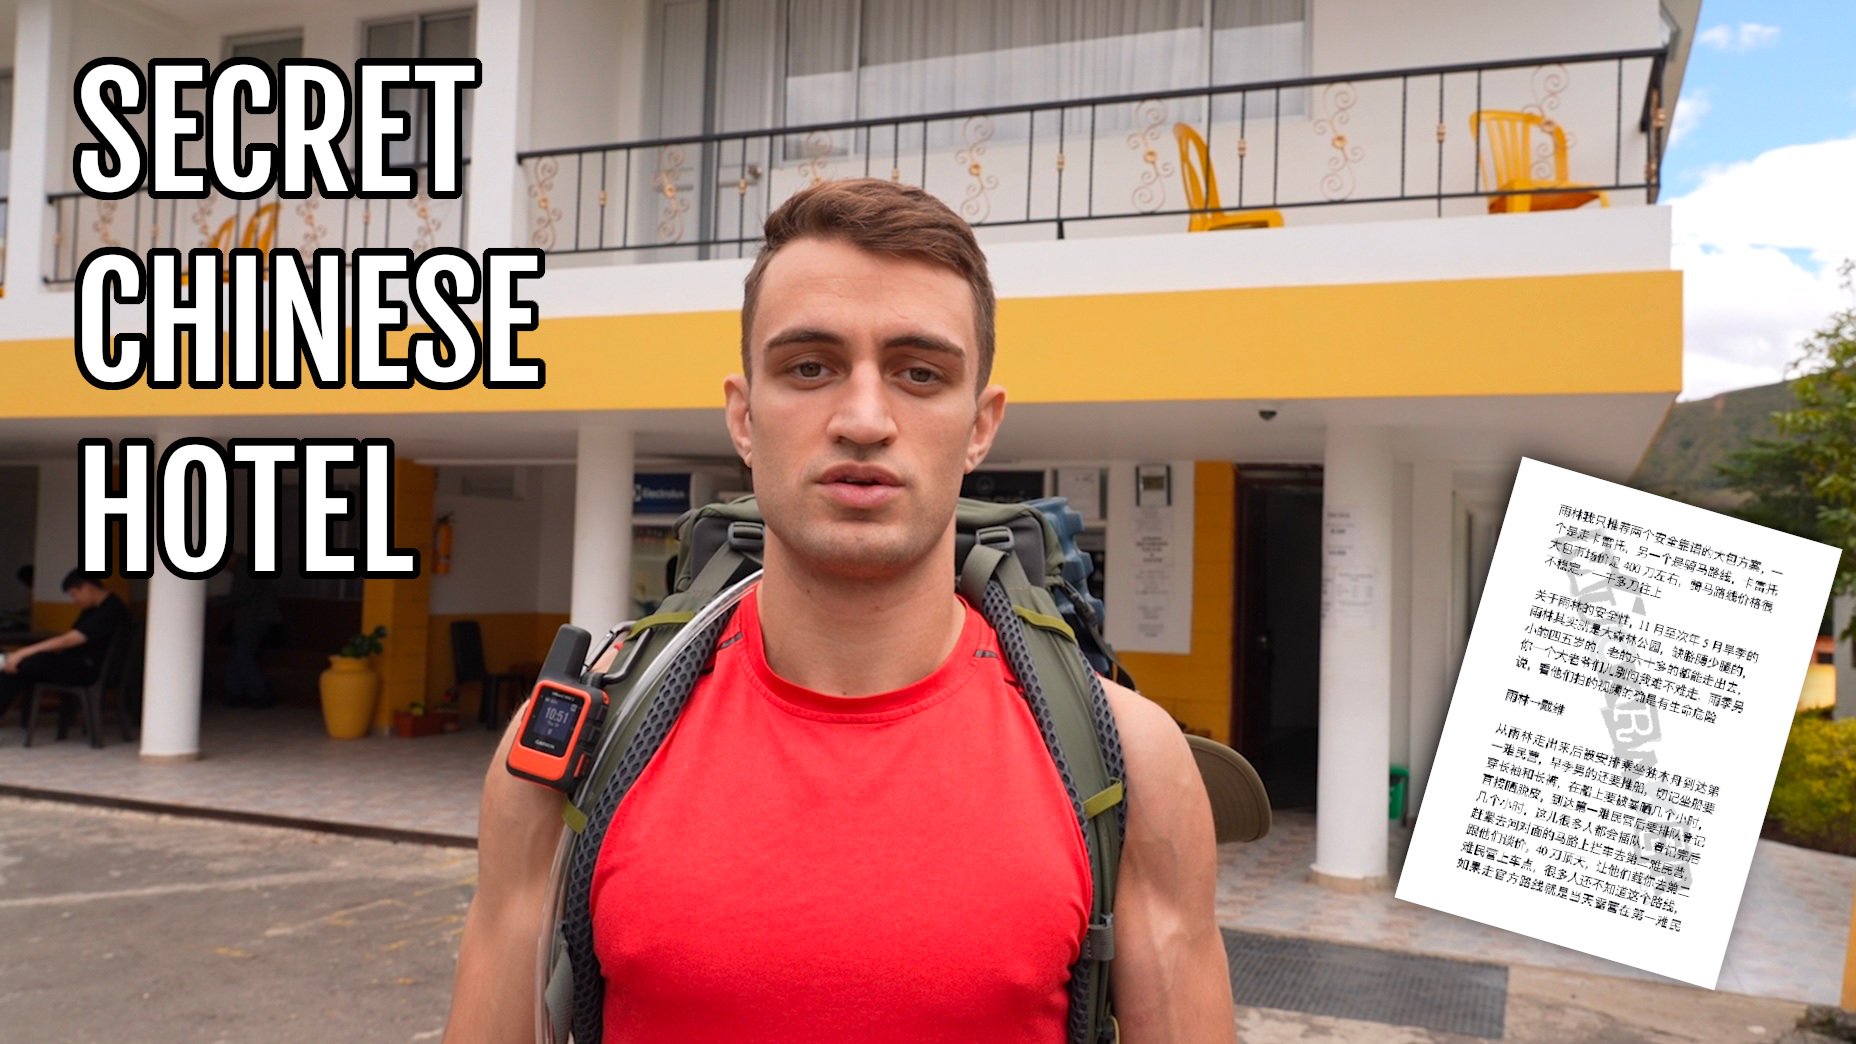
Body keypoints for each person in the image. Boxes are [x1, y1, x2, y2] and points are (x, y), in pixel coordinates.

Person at [444, 179, 1234, 1042]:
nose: (863, 419)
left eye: (920, 373)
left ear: (980, 425)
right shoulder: (566, 750)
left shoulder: (1135, 762)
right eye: (809, 367)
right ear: (744, 419)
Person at [0, 570, 130, 727]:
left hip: (88, 670)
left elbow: (69, 640)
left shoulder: (109, 610)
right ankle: (6, 661)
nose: (74, 600)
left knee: (29, 661)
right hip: (80, 665)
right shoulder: (95, 609)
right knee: (14, 671)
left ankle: (5, 660)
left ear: (88, 588)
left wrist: (22, 653)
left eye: (74, 594)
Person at [215, 553, 282, 708]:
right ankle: (238, 694)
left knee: (241, 657)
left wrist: (222, 601)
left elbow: (242, 595)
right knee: (238, 658)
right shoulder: (247, 566)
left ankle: (259, 695)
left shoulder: (244, 568)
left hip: (254, 620)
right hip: (255, 619)